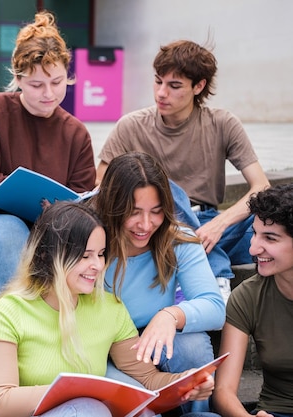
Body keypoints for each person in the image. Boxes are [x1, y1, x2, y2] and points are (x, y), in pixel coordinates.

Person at [0, 201, 217, 417]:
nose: (97, 265)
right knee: (89, 408)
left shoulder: (109, 307)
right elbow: (2, 401)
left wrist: (187, 381)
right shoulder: (8, 311)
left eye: (101, 254)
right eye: (85, 256)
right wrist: (78, 390)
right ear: (47, 256)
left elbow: (147, 378)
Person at [96, 39, 271, 304]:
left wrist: (219, 225)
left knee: (273, 225)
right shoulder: (131, 126)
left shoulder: (222, 123)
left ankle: (198, 268)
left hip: (211, 223)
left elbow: (261, 187)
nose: (161, 93)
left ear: (198, 86)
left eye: (174, 85)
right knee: (166, 188)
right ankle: (215, 283)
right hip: (153, 223)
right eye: (158, 81)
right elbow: (100, 187)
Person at [0, 10, 96, 320]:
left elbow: (83, 199)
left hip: (46, 234)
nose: (49, 94)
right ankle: (15, 325)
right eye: (36, 85)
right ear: (17, 79)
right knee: (9, 228)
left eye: (57, 82)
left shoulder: (76, 133)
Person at [88, 151, 225, 414]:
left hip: (152, 338)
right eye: (134, 212)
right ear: (112, 207)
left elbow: (214, 307)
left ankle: (198, 414)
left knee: (193, 346)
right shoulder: (91, 237)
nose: (146, 224)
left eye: (156, 212)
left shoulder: (177, 239)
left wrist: (170, 315)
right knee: (139, 406)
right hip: (100, 346)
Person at [213, 183, 293, 417]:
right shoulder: (248, 296)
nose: (253, 248)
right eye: (254, 234)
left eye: (270, 238)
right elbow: (224, 391)